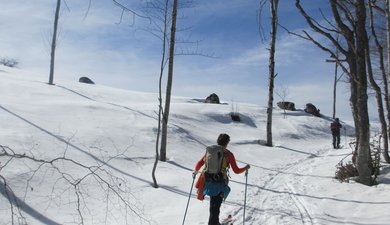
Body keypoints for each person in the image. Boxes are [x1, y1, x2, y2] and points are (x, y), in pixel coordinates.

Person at [193, 133, 250, 225]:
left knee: (213, 205)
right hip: (220, 183)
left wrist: (195, 171)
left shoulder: (210, 151)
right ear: (227, 143)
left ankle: (214, 222)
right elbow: (236, 170)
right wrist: (246, 168)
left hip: (208, 182)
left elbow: (200, 162)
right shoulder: (228, 154)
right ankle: (213, 223)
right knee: (215, 206)